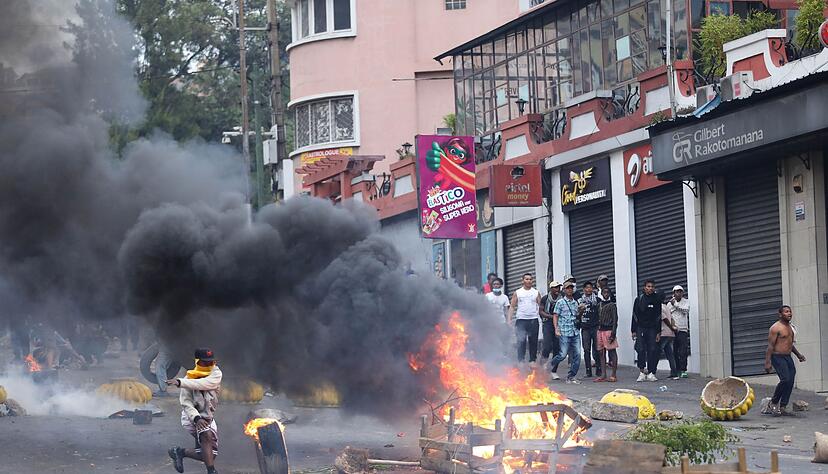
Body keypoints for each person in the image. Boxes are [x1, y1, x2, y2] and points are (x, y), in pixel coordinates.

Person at [168, 348, 223, 474]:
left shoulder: (216, 373)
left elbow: (204, 384)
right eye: (205, 362)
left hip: (208, 416)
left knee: (209, 455)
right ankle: (211, 471)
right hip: (191, 416)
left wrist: (180, 382)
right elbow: (186, 403)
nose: (209, 365)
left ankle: (179, 452)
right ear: (197, 361)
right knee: (206, 436)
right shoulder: (188, 378)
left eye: (211, 362)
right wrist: (196, 418)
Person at [764, 306, 806, 417]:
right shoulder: (775, 328)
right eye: (786, 312)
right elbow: (770, 346)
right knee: (785, 379)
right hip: (777, 357)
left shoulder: (791, 328)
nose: (789, 313)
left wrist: (798, 355)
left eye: (790, 311)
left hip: (788, 357)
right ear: (780, 314)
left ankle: (783, 407)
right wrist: (767, 362)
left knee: (790, 380)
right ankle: (773, 402)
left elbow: (790, 344)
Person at [549, 281, 582, 384]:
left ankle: (571, 376)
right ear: (564, 290)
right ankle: (549, 366)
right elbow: (555, 316)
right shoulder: (560, 302)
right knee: (563, 354)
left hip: (574, 331)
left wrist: (581, 311)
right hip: (564, 331)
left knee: (577, 354)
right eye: (567, 288)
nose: (570, 290)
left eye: (571, 288)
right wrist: (556, 328)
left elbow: (577, 316)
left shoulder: (575, 302)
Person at [631, 279, 664, 382]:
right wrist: (633, 330)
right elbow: (635, 315)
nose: (650, 288)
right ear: (644, 287)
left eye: (652, 287)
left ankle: (651, 372)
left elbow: (659, 316)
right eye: (648, 286)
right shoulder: (639, 299)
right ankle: (641, 372)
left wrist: (658, 332)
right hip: (640, 327)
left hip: (652, 329)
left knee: (653, 350)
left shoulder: (657, 300)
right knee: (640, 349)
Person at [509, 273, 541, 365]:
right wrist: (509, 320)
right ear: (522, 280)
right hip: (521, 320)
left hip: (533, 320)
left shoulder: (535, 292)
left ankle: (532, 360)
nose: (529, 281)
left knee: (533, 341)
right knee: (521, 341)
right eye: (526, 279)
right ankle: (521, 360)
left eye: (530, 279)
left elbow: (541, 306)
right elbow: (512, 307)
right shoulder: (518, 292)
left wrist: (543, 318)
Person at [577, 281, 601, 378]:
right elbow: (577, 315)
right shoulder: (579, 301)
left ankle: (599, 368)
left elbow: (600, 313)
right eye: (586, 288)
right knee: (586, 350)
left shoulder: (597, 300)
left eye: (590, 287)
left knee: (597, 348)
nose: (588, 289)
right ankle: (588, 371)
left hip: (595, 327)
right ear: (583, 289)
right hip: (585, 328)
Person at [595, 287, 618, 382]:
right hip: (600, 330)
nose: (606, 294)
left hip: (608, 330)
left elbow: (615, 319)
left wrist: (613, 332)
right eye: (604, 292)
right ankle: (603, 374)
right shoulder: (599, 304)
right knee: (601, 353)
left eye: (607, 292)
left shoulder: (612, 305)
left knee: (612, 352)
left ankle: (613, 374)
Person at [668, 286, 690, 378]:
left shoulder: (686, 301)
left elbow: (686, 310)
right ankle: (676, 370)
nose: (679, 293)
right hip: (673, 330)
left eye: (680, 292)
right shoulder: (669, 303)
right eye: (677, 292)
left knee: (683, 350)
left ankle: (683, 369)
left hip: (683, 330)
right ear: (674, 293)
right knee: (674, 351)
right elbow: (668, 314)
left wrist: (676, 305)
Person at [540, 281, 562, 360]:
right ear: (551, 288)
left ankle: (553, 369)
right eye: (555, 287)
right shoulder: (545, 298)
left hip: (559, 324)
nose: (558, 289)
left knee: (557, 347)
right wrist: (551, 316)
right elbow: (541, 311)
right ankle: (541, 366)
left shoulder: (562, 299)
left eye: (559, 287)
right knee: (547, 346)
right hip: (548, 324)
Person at [658, 304, 679, 380]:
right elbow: (672, 319)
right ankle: (674, 373)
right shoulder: (666, 307)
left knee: (657, 352)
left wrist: (670, 327)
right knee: (670, 354)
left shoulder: (659, 306)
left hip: (664, 333)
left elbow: (664, 318)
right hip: (670, 334)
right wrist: (673, 328)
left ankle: (652, 371)